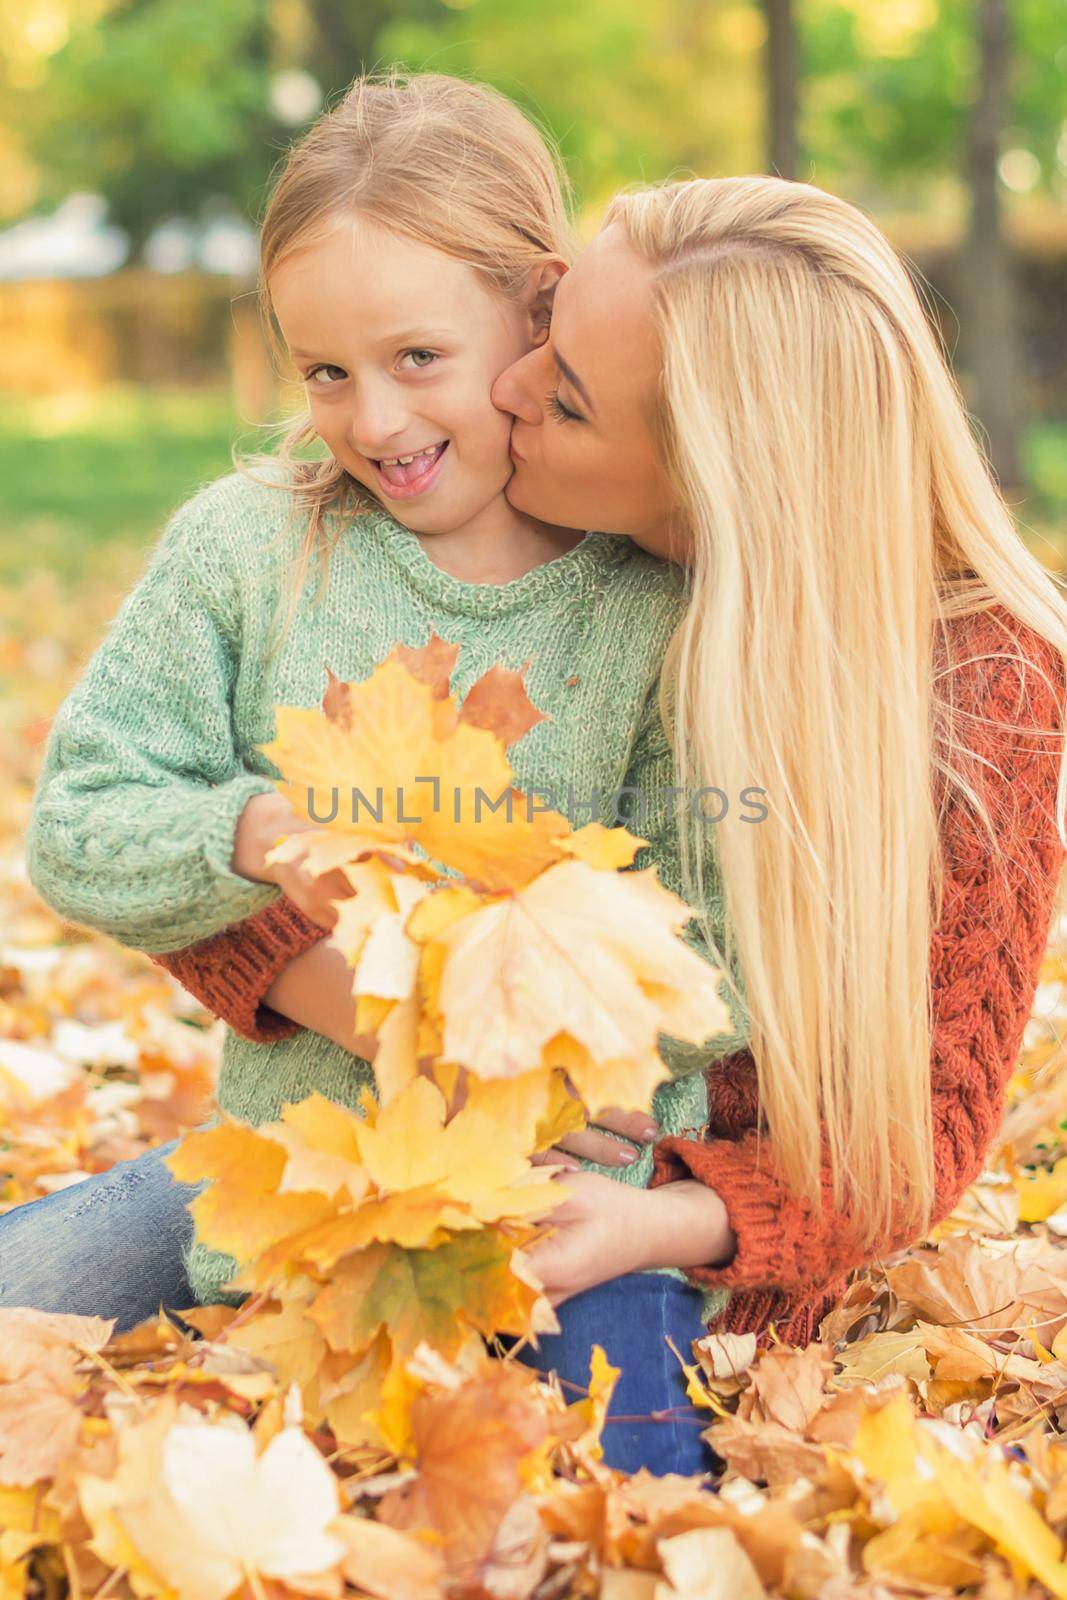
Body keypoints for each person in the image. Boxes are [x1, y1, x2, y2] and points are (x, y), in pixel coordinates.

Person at [144, 171, 1067, 1441]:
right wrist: (410, 1036)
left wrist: (658, 1218)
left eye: (562, 394)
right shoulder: (496, 545)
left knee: (590, 1481)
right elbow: (194, 840)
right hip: (360, 1144)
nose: (508, 389)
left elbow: (922, 1121)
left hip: (658, 1245)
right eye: (542, 331)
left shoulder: (983, 684)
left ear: (711, 484)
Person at [9, 72, 740, 1480]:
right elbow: (83, 823)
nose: (372, 419)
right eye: (324, 372)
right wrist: (246, 826)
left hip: (561, 1203)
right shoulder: (249, 547)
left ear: (536, 316)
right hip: (285, 1180)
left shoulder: (644, 597)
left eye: (417, 358)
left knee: (630, 1475)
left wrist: (519, 1067)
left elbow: (707, 947)